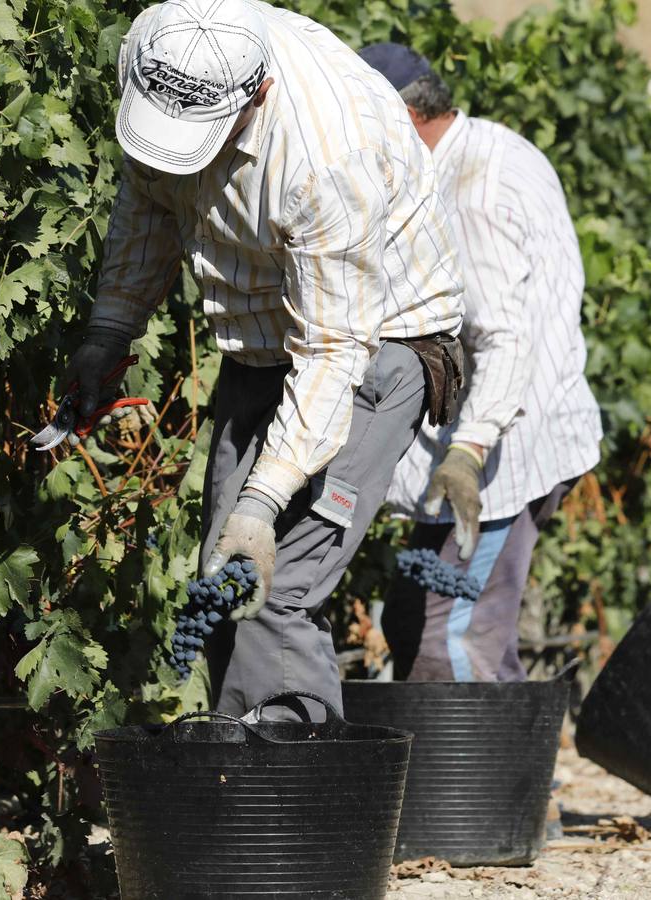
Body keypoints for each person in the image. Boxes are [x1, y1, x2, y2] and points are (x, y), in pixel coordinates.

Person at [63, 0, 464, 718]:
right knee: (223, 580)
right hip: (262, 340)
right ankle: (242, 794)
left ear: (259, 95)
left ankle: (296, 809)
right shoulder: (168, 54)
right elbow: (147, 201)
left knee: (274, 594)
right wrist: (109, 331)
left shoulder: (328, 157)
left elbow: (333, 351)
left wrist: (263, 497)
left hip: (376, 346)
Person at [360, 45, 602, 682]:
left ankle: (473, 787)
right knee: (423, 621)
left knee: (452, 642)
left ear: (403, 118)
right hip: (525, 431)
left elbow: (503, 339)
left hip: (498, 461)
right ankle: (514, 782)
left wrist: (468, 452)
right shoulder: (495, 145)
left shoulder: (464, 195)